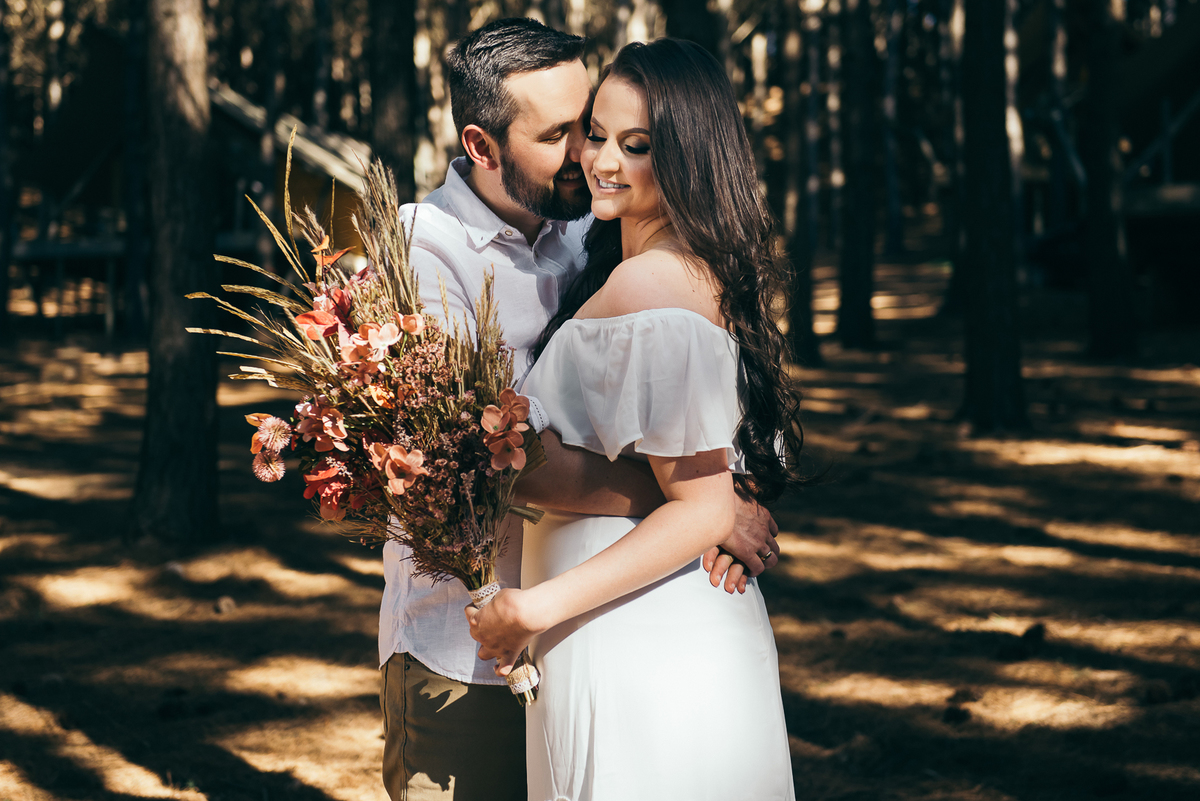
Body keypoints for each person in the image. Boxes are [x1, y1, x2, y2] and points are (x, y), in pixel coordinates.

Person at [381, 20, 780, 801]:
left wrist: (710, 493)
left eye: (610, 134)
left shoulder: (589, 241)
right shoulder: (426, 254)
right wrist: (704, 501)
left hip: (595, 621)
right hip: (464, 646)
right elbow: (476, 459)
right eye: (571, 133)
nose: (587, 159)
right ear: (482, 144)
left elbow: (684, 414)